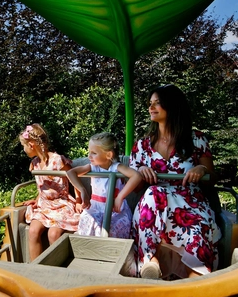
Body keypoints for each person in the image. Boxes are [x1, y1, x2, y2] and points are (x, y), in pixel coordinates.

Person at [129, 84, 221, 280]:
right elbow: (134, 189)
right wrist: (139, 172)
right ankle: (149, 263)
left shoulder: (196, 140)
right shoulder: (141, 146)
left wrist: (202, 169)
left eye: (158, 103)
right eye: (150, 103)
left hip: (190, 203)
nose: (151, 108)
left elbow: (211, 178)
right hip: (154, 206)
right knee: (153, 193)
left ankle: (197, 278)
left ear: (173, 106)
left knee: (196, 229)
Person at [20, 123, 80, 261]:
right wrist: (37, 199)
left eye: (24, 146)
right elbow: (42, 186)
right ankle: (36, 268)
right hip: (44, 205)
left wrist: (79, 201)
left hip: (61, 204)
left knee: (53, 234)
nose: (24, 150)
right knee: (33, 231)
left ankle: (56, 268)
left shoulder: (57, 160)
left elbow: (74, 179)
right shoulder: (35, 163)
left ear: (31, 145)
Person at [67, 132, 142, 240]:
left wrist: (120, 196)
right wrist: (83, 190)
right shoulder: (93, 167)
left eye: (93, 153)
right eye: (89, 152)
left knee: (112, 229)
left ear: (109, 155)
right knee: (88, 222)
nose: (89, 156)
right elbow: (70, 173)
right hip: (95, 207)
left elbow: (136, 176)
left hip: (114, 210)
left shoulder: (116, 167)